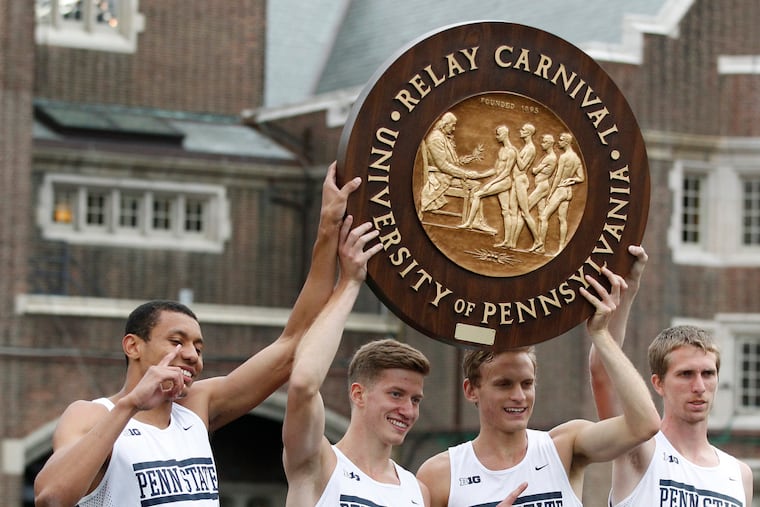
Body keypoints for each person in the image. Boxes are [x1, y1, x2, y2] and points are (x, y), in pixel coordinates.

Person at [33, 162, 362, 507]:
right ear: (133, 346)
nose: (192, 355)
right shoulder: (92, 415)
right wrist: (130, 404)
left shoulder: (196, 407)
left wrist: (328, 228)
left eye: (199, 347)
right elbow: (51, 497)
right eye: (177, 342)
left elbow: (293, 345)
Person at [416, 262, 661, 507]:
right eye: (504, 384)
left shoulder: (563, 446)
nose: (519, 396)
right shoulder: (440, 474)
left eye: (527, 383)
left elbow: (644, 425)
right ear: (471, 390)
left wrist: (601, 335)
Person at [282, 213, 434, 506]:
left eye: (415, 400)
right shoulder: (318, 464)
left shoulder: (418, 492)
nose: (407, 410)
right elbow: (302, 384)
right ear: (358, 393)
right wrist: (349, 283)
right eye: (396, 394)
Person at [589, 245, 753, 506]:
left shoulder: (739, 474)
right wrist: (628, 291)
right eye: (686, 374)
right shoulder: (640, 448)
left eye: (708, 374)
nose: (699, 386)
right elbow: (602, 375)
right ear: (658, 383)